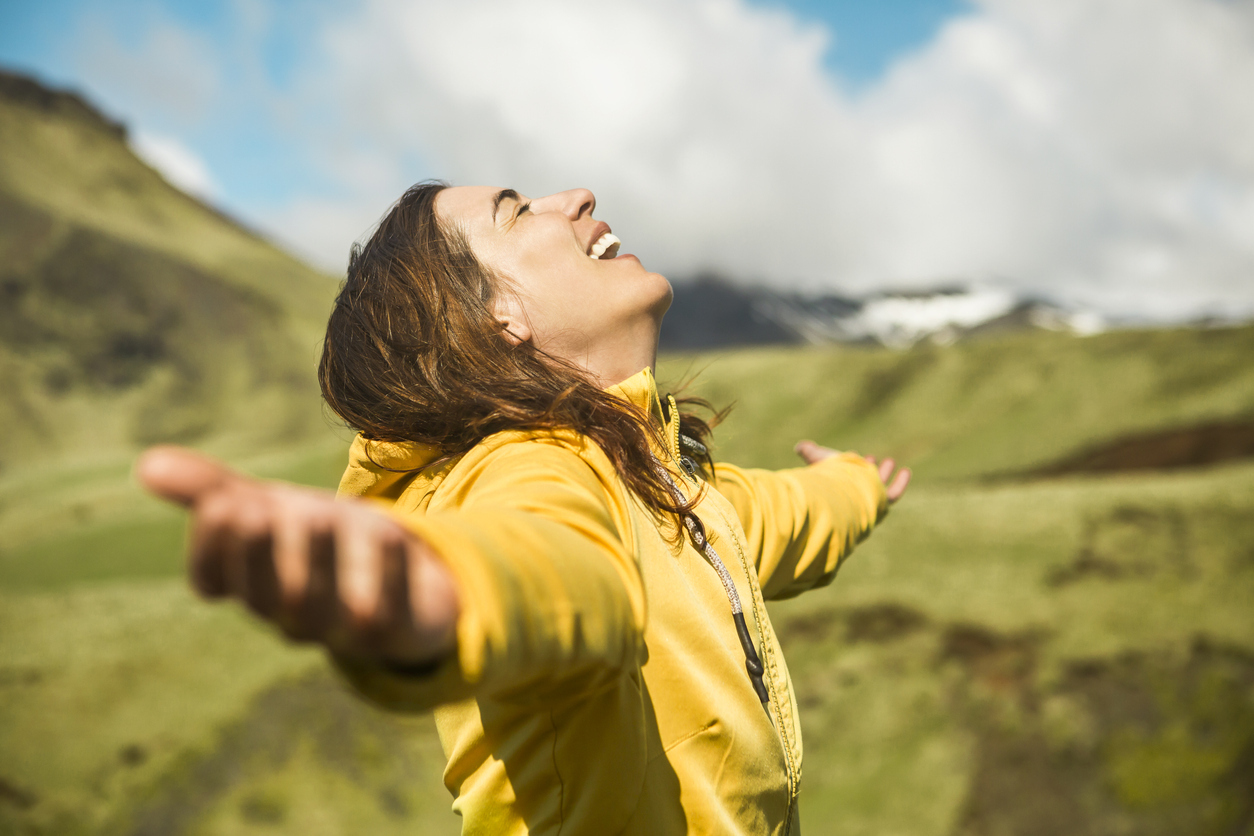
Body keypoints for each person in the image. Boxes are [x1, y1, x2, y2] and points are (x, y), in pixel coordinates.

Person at [139, 182, 910, 835]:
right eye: (514, 211)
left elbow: (775, 516)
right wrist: (439, 596)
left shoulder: (662, 481)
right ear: (494, 318)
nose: (576, 197)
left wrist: (856, 485)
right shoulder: (531, 465)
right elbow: (549, 567)